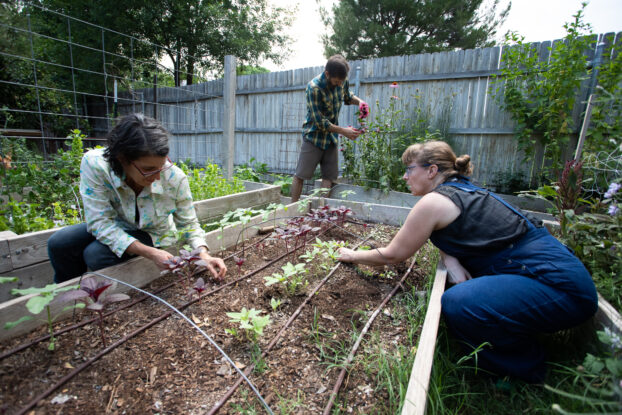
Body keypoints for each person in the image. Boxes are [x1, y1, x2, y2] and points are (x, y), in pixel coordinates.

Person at [337, 140, 598, 383]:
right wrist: (450, 258)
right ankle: (520, 335)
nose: (404, 176)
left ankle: (524, 368)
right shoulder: (462, 189)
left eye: (409, 169)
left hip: (562, 289)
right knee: (465, 294)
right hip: (558, 274)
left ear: (432, 171)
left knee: (458, 302)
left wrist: (352, 255)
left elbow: (394, 254)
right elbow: (456, 231)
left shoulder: (433, 202)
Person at [48, 113, 227, 283]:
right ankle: (70, 300)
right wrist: (150, 254)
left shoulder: (174, 177)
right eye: (149, 169)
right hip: (116, 224)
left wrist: (203, 255)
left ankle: (121, 290)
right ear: (122, 159)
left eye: (161, 166)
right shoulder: (95, 165)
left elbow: (189, 225)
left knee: (96, 254)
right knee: (60, 244)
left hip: (151, 233)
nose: (157, 177)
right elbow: (99, 222)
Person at [290, 54, 368, 202]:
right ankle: (291, 212)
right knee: (301, 175)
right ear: (327, 74)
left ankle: (321, 213)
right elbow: (319, 122)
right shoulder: (314, 88)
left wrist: (360, 102)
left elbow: (347, 96)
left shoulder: (341, 81)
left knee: (329, 178)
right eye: (337, 81)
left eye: (342, 81)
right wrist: (344, 131)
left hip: (331, 138)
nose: (340, 84)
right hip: (314, 136)